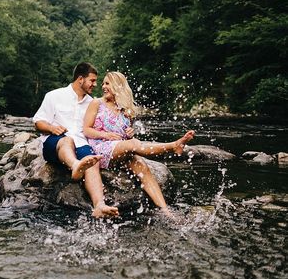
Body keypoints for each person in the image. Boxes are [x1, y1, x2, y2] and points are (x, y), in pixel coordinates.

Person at [83, 71, 195, 217]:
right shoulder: (96, 103)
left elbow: (123, 135)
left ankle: (166, 211)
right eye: (103, 83)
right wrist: (106, 134)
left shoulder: (125, 109)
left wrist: (129, 133)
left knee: (142, 165)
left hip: (118, 151)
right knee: (134, 144)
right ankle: (173, 146)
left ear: (118, 86)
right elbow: (86, 129)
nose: (103, 86)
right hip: (99, 149)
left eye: (107, 83)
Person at [33, 62, 119, 218]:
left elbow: (102, 127)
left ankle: (99, 205)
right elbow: (38, 122)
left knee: (92, 160)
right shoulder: (54, 96)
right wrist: (52, 128)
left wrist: (126, 131)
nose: (95, 84)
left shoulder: (93, 103)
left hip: (81, 143)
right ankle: (75, 166)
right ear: (80, 79)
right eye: (92, 80)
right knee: (68, 141)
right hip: (56, 143)